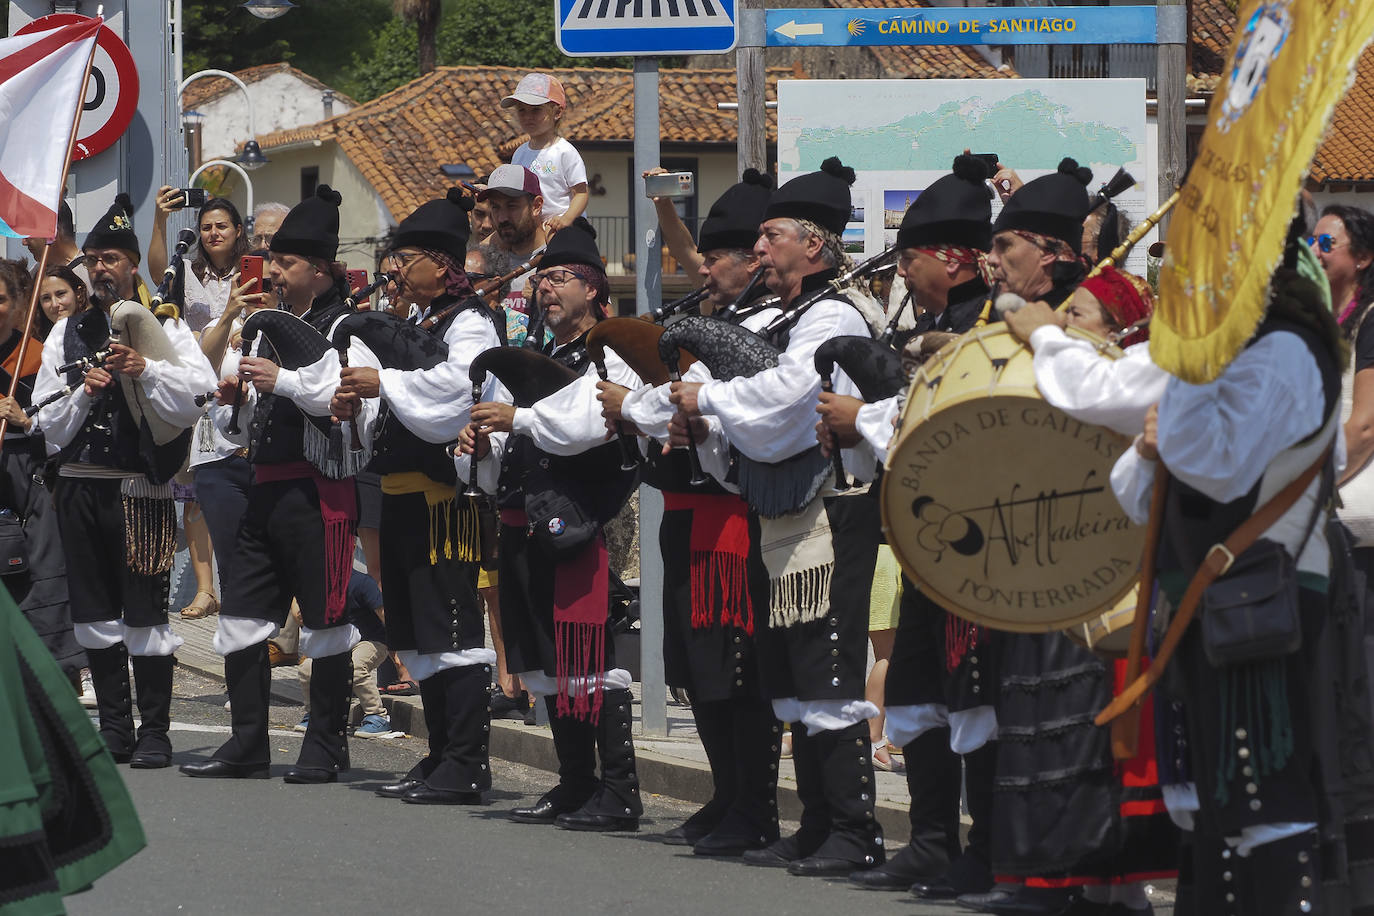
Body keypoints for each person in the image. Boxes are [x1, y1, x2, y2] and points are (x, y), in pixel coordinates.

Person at [1109, 231, 1344, 915]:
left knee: (1262, 792)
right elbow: (1133, 493)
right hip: (1206, 603)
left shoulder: (1285, 349)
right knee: (1217, 800)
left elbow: (1219, 461)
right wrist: (1156, 443)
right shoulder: (1218, 360)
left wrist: (1168, 428)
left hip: (1266, 596)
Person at [669, 158, 887, 877]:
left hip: (833, 510)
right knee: (792, 675)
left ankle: (855, 827)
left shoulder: (833, 315)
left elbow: (790, 398)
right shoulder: (791, 314)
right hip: (785, 513)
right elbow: (763, 411)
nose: (758, 249)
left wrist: (710, 405)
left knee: (827, 668)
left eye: (770, 236)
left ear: (813, 247)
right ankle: (820, 819)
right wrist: (707, 426)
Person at [815, 156, 1001, 899]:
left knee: (977, 699)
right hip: (923, 544)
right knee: (920, 694)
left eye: (914, 257)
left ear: (952, 261)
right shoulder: (931, 322)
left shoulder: (987, 328)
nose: (905, 272)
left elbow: (955, 428)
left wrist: (863, 419)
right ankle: (931, 839)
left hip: (977, 549)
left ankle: (986, 846)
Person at [608, 169, 785, 856]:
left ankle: (755, 805)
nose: (702, 268)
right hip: (685, 514)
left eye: (717, 258)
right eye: (704, 256)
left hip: (733, 519)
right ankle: (726, 793)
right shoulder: (719, 321)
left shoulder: (769, 326)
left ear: (754, 261)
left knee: (734, 667)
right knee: (694, 666)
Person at [179, 185, 380, 785]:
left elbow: (348, 404)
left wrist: (282, 381)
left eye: (284, 264)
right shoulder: (269, 326)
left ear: (318, 271)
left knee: (325, 619)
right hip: (262, 485)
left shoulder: (351, 325)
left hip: (319, 495)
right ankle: (248, 742)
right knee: (242, 615)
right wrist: (235, 401)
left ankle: (324, 744)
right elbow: (240, 424)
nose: (272, 273)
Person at [462, 219, 644, 832]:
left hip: (586, 521)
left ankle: (619, 793)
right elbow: (523, 435)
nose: (547, 288)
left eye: (562, 278)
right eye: (543, 278)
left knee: (588, 653)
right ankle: (575, 784)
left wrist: (517, 418)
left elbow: (587, 424)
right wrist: (483, 440)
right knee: (547, 658)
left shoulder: (614, 350)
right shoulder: (541, 355)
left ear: (594, 289)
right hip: (525, 519)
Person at [34, 193, 217, 769]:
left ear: (134, 264)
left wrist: (148, 368)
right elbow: (45, 423)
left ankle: (155, 732)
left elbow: (197, 396)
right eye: (95, 258)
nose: (103, 267)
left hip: (141, 491)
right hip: (82, 488)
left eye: (113, 257)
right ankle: (115, 728)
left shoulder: (167, 326)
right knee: (93, 613)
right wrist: (83, 396)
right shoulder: (67, 334)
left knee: (146, 612)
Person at [333, 189, 503, 805]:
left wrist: (387, 380)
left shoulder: (472, 320)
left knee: (450, 626)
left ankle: (468, 761)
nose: (396, 270)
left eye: (407, 259)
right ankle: (440, 755)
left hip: (444, 502)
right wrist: (361, 398)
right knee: (416, 631)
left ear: (441, 262)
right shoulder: (420, 323)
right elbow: (402, 399)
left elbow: (456, 389)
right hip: (402, 494)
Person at [0, 259, 83, 691]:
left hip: (28, 483)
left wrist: (22, 418)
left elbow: (57, 426)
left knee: (40, 579)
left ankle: (57, 682)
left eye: (0, 299)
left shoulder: (37, 357)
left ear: (16, 305)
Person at [297, 570, 393, 738]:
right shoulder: (319, 581)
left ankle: (378, 716)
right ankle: (315, 715)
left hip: (372, 641)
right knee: (306, 668)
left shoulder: (362, 582)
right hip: (337, 642)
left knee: (355, 667)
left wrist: (398, 654)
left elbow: (383, 614)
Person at [504, 73, 589, 231]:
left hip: (561, 228)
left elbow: (581, 194)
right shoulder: (519, 153)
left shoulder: (565, 152)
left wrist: (566, 219)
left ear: (557, 113)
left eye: (536, 110)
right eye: (522, 110)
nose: (528, 117)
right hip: (531, 228)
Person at [478, 164, 548, 343]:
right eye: (496, 207)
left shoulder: (562, 264)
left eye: (512, 206)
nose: (502, 218)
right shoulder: (482, 265)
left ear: (537, 206)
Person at [24, 199, 90, 290]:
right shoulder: (37, 272)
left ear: (53, 233)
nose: (24, 242)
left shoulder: (90, 276)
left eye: (29, 233)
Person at [36, 264, 91, 341]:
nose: (55, 304)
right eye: (46, 298)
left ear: (78, 293)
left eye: (61, 294)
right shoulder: (43, 347)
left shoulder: (103, 328)